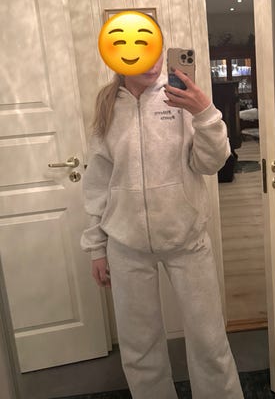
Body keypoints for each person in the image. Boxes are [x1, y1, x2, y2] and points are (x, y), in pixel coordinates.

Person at [80, 51, 244, 399]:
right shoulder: (108, 106)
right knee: (140, 348)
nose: (151, 61)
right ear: (119, 56)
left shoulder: (180, 98)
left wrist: (205, 113)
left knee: (209, 341)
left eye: (154, 49)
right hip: (125, 246)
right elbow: (98, 183)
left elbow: (211, 164)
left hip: (187, 239)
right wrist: (96, 247)